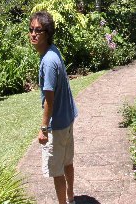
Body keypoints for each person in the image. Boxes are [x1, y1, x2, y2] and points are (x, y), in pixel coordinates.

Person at [29, 11, 78, 204]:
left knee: (57, 171)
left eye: (38, 31)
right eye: (31, 30)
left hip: (57, 125)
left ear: (47, 33)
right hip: (67, 118)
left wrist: (43, 129)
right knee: (67, 162)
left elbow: (49, 99)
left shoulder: (48, 62)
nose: (33, 34)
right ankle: (71, 197)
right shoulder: (53, 51)